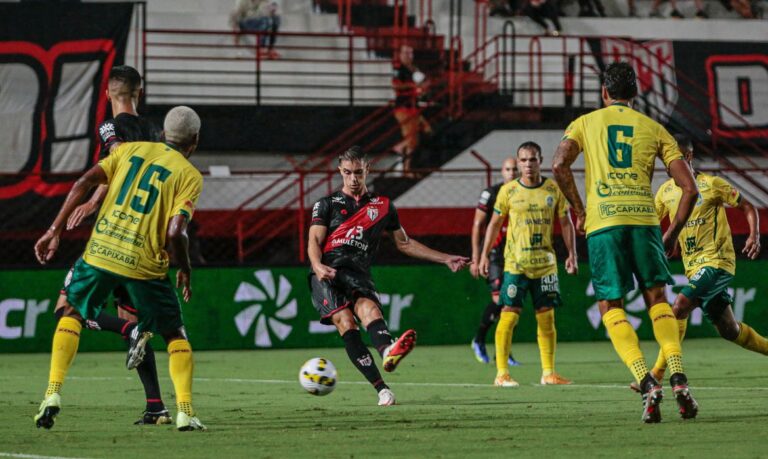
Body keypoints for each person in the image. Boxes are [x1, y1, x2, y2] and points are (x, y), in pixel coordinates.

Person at [33, 106, 205, 431]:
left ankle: (52, 394)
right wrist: (184, 268)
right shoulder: (189, 175)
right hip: (145, 263)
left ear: (164, 133)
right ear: (194, 140)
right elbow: (175, 232)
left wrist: (54, 229)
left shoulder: (128, 150)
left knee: (69, 311)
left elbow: (85, 181)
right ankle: (185, 410)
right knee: (173, 334)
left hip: (101, 252)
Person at [552, 62, 700, 423]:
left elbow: (558, 165)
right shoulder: (655, 129)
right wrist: (673, 231)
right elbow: (690, 189)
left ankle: (645, 380)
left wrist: (578, 209)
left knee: (611, 305)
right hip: (645, 223)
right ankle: (677, 374)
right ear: (635, 95)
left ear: (604, 92)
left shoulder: (585, 123)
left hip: (604, 224)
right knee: (657, 300)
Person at [308, 146, 469, 406]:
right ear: (340, 171)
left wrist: (445, 258)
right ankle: (382, 389)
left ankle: (388, 353)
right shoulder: (326, 204)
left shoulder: (382, 206)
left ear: (367, 170)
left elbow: (404, 243)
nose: (353, 178)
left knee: (370, 311)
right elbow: (314, 239)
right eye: (347, 173)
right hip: (328, 271)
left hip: (358, 272)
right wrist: (316, 265)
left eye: (358, 172)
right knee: (346, 323)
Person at [58, 65, 171, 426]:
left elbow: (122, 164)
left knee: (68, 306)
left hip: (112, 235)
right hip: (148, 235)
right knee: (133, 316)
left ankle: (128, 333)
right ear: (141, 91)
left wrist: (92, 203)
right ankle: (156, 405)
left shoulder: (109, 128)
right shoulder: (157, 131)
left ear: (108, 94)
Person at [631, 135, 766, 393]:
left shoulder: (711, 184)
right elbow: (649, 221)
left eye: (673, 159)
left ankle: (656, 374)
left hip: (718, 261)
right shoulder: (666, 191)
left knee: (679, 306)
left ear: (688, 157)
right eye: (665, 160)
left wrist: (754, 234)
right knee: (729, 329)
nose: (668, 165)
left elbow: (748, 206)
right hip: (693, 267)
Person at [479, 142, 577, 387]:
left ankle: (548, 373)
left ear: (540, 160)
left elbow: (566, 223)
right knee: (509, 317)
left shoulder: (554, 189)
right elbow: (492, 225)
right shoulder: (508, 191)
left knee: (547, 319)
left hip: (546, 265)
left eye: (532, 160)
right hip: (516, 265)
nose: (527, 165)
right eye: (523, 160)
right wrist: (483, 255)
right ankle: (501, 374)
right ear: (518, 162)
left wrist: (572, 254)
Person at [470, 157, 521, 365]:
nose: (512, 172)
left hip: (517, 254)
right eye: (508, 169)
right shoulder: (490, 194)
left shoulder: (525, 192)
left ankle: (502, 349)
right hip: (494, 255)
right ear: (502, 171)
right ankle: (480, 340)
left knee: (514, 306)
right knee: (500, 300)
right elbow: (477, 225)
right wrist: (476, 257)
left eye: (515, 169)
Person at [391, 45, 432, 177]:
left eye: (411, 53)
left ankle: (407, 167)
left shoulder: (413, 69)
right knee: (411, 137)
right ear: (401, 54)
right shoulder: (399, 69)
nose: (409, 56)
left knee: (419, 135)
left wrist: (424, 86)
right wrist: (415, 86)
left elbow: (423, 83)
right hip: (403, 107)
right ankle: (402, 153)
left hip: (413, 106)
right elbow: (396, 85)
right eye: (406, 53)